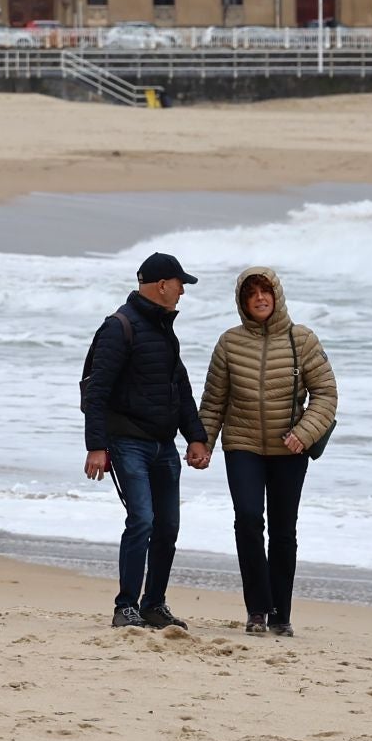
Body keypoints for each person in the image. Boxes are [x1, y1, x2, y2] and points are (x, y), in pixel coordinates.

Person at [199, 267, 338, 637]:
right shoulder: (229, 343)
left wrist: (304, 433)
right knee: (247, 520)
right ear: (243, 301)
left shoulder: (302, 339)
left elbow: (325, 395)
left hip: (288, 449)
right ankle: (257, 609)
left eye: (266, 292)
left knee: (283, 530)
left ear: (277, 296)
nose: (260, 298)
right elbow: (214, 401)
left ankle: (281, 614)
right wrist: (203, 443)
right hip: (242, 444)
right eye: (252, 293)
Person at [81, 252, 211, 630]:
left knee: (168, 527)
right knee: (142, 520)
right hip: (127, 444)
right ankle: (126, 606)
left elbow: (181, 390)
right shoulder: (118, 326)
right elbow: (97, 390)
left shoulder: (165, 329)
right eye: (180, 284)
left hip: (163, 445)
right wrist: (97, 446)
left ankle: (154, 604)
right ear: (162, 285)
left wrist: (197, 438)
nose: (183, 291)